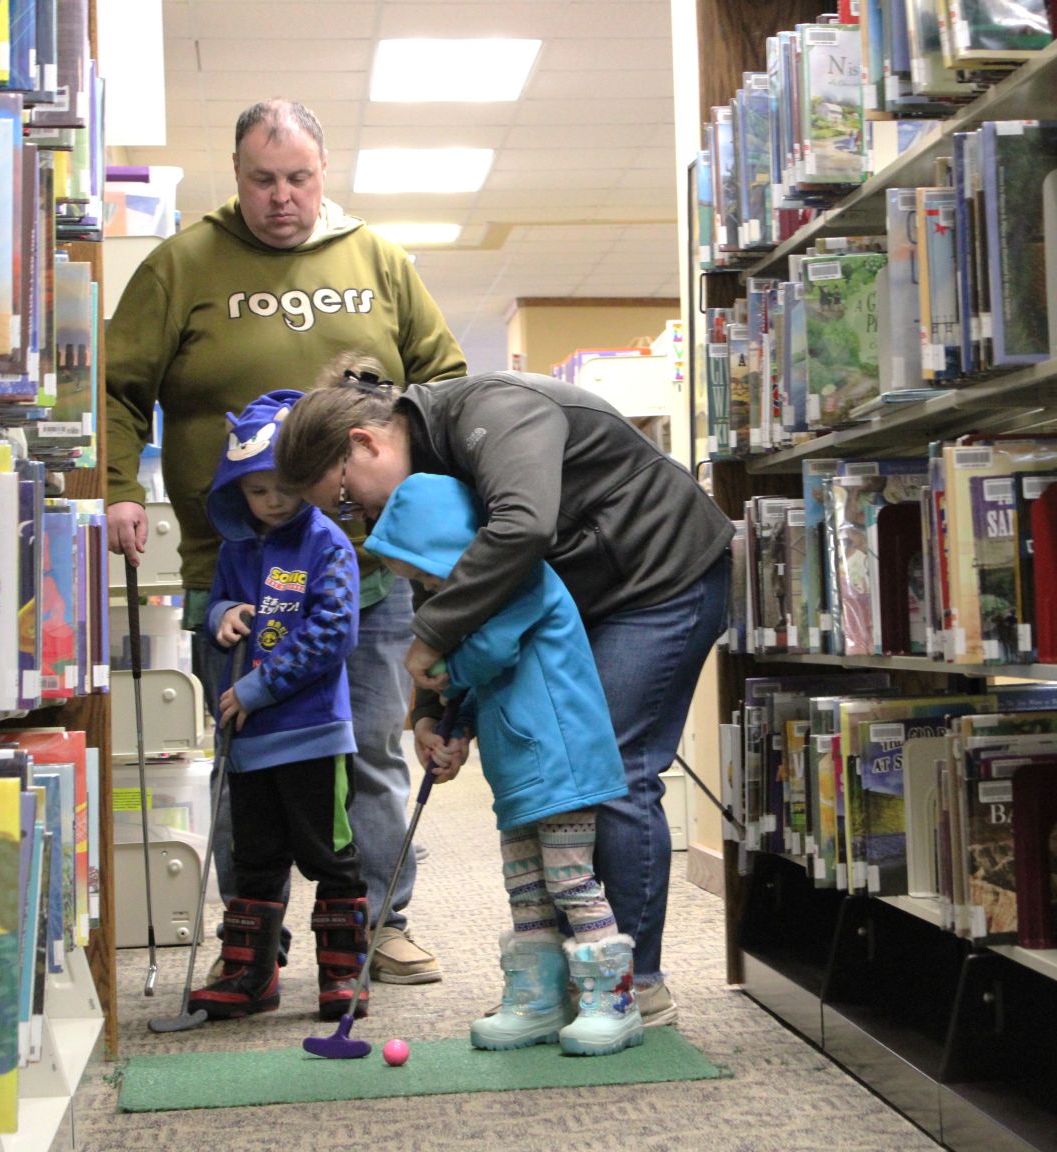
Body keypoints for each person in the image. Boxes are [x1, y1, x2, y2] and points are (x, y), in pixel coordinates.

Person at [105, 98, 467, 984]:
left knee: (371, 745)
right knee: (249, 752)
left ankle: (381, 923)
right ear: (235, 176)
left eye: (299, 178)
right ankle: (252, 940)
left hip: (366, 566)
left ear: (324, 171)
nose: (281, 197)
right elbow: (117, 390)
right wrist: (115, 489)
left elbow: (447, 383)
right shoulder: (180, 263)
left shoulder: (377, 258)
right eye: (262, 180)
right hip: (231, 567)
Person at [276, 361, 735, 1024]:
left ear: (364, 442)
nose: (359, 521)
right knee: (572, 774)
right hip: (583, 597)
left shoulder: (490, 410)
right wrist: (435, 710)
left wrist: (432, 639)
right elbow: (440, 577)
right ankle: (574, 979)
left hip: (662, 575)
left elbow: (521, 529)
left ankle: (635, 982)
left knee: (613, 765)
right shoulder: (422, 472)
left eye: (347, 501)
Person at [364, 473, 643, 1056]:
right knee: (525, 888)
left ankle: (612, 1001)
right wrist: (452, 730)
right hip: (519, 770)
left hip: (563, 763)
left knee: (571, 880)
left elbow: (487, 655)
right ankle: (538, 1001)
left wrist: (436, 669)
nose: (429, 589)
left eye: (427, 574)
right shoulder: (471, 603)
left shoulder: (519, 581)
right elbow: (473, 680)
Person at [187, 390, 368, 1023]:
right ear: (238, 493)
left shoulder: (327, 543)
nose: (273, 501)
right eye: (257, 491)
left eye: (284, 487)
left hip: (313, 735)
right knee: (255, 859)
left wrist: (259, 688)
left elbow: (334, 631)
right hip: (250, 741)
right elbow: (215, 608)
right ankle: (250, 974)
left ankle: (344, 975)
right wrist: (221, 616)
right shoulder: (237, 551)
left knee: (330, 856)